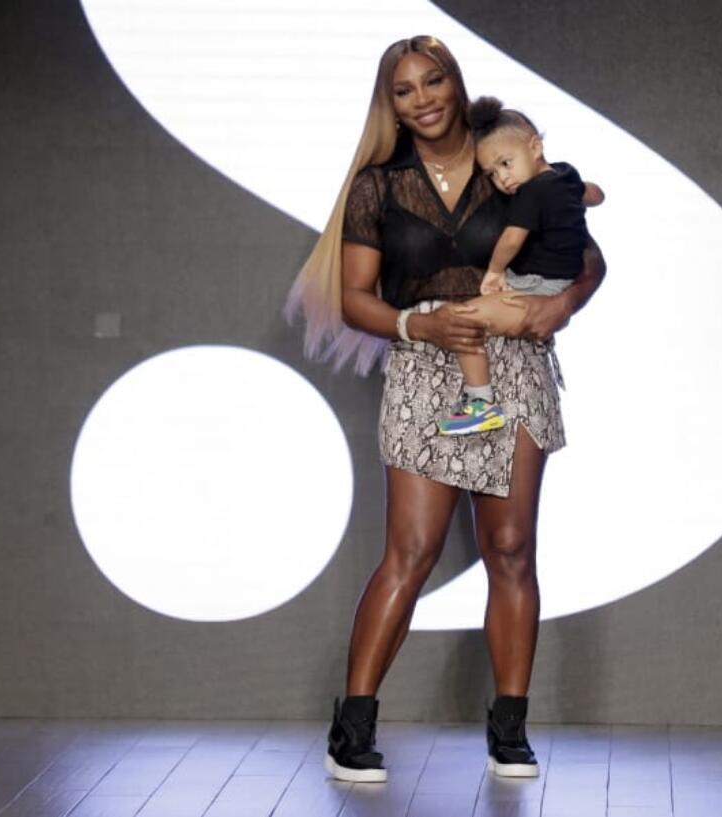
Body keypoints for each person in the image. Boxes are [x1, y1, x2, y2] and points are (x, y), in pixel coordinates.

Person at [284, 35, 606, 784]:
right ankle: (353, 727)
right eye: (404, 89)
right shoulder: (379, 185)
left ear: (456, 85)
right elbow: (356, 296)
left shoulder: (509, 162)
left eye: (434, 81)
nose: (423, 98)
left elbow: (588, 258)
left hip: (514, 361)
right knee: (413, 549)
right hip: (426, 362)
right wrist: (418, 324)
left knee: (512, 547)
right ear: (389, 103)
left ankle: (509, 729)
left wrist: (559, 304)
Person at [436, 96, 606, 436]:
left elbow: (512, 240)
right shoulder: (563, 174)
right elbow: (595, 194)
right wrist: (581, 199)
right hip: (547, 281)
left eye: (506, 163)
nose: (503, 179)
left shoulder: (532, 193)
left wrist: (495, 273)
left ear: (535, 146)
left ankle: (481, 404)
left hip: (535, 287)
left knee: (461, 320)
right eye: (493, 173)